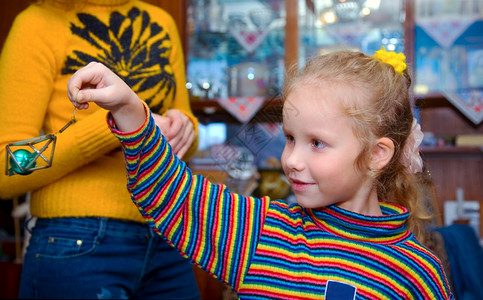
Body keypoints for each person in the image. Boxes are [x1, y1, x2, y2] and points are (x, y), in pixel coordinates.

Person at [66, 47, 455, 299]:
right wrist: (132, 110)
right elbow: (171, 194)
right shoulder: (260, 232)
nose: (292, 160)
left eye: (316, 143)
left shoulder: (418, 274)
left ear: (376, 155)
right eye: (289, 138)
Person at [0, 0, 201, 299]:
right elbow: (7, 166)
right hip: (75, 240)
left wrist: (185, 126)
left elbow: (185, 136)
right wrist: (114, 127)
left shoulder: (161, 21)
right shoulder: (37, 24)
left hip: (169, 232)